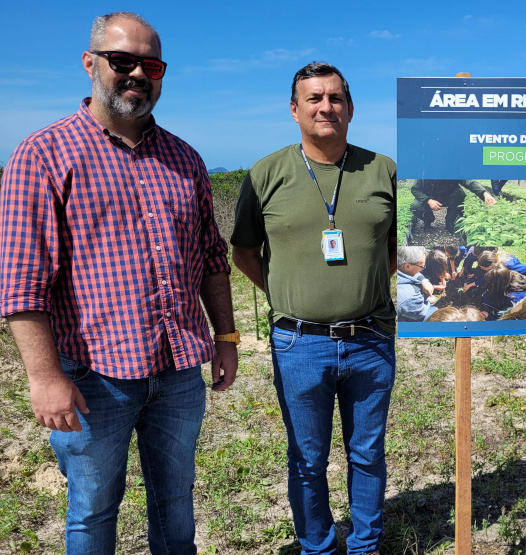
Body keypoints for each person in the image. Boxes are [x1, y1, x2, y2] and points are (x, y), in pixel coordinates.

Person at [0, 12, 238, 554]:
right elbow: (21, 281)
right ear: (90, 63)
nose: (137, 74)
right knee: (92, 509)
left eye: (150, 66)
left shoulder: (184, 158)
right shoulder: (42, 155)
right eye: (122, 61)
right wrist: (44, 376)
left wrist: (225, 337)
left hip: (178, 370)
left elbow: (211, 258)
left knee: (176, 498)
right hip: (93, 377)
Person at [231, 61, 396, 555]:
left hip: (370, 339)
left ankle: (365, 547)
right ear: (294, 109)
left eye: (335, 97)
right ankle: (317, 548)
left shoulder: (384, 170)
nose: (326, 107)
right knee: (306, 460)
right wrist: (289, 294)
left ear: (350, 107)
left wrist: (362, 286)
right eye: (314, 98)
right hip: (298, 343)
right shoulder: (266, 173)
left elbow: (397, 249)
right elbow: (244, 251)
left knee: (368, 454)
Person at [408, 179, 497, 237]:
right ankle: (428, 220)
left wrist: (484, 193)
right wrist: (428, 200)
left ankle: (450, 221)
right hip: (429, 197)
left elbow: (469, 181)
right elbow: (414, 189)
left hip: (448, 196)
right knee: (415, 206)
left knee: (460, 194)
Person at [396, 246, 439, 322]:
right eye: (421, 266)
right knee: (434, 311)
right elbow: (419, 313)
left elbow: (408, 273)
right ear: (407, 266)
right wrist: (429, 302)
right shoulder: (410, 297)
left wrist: (424, 280)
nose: (421, 269)